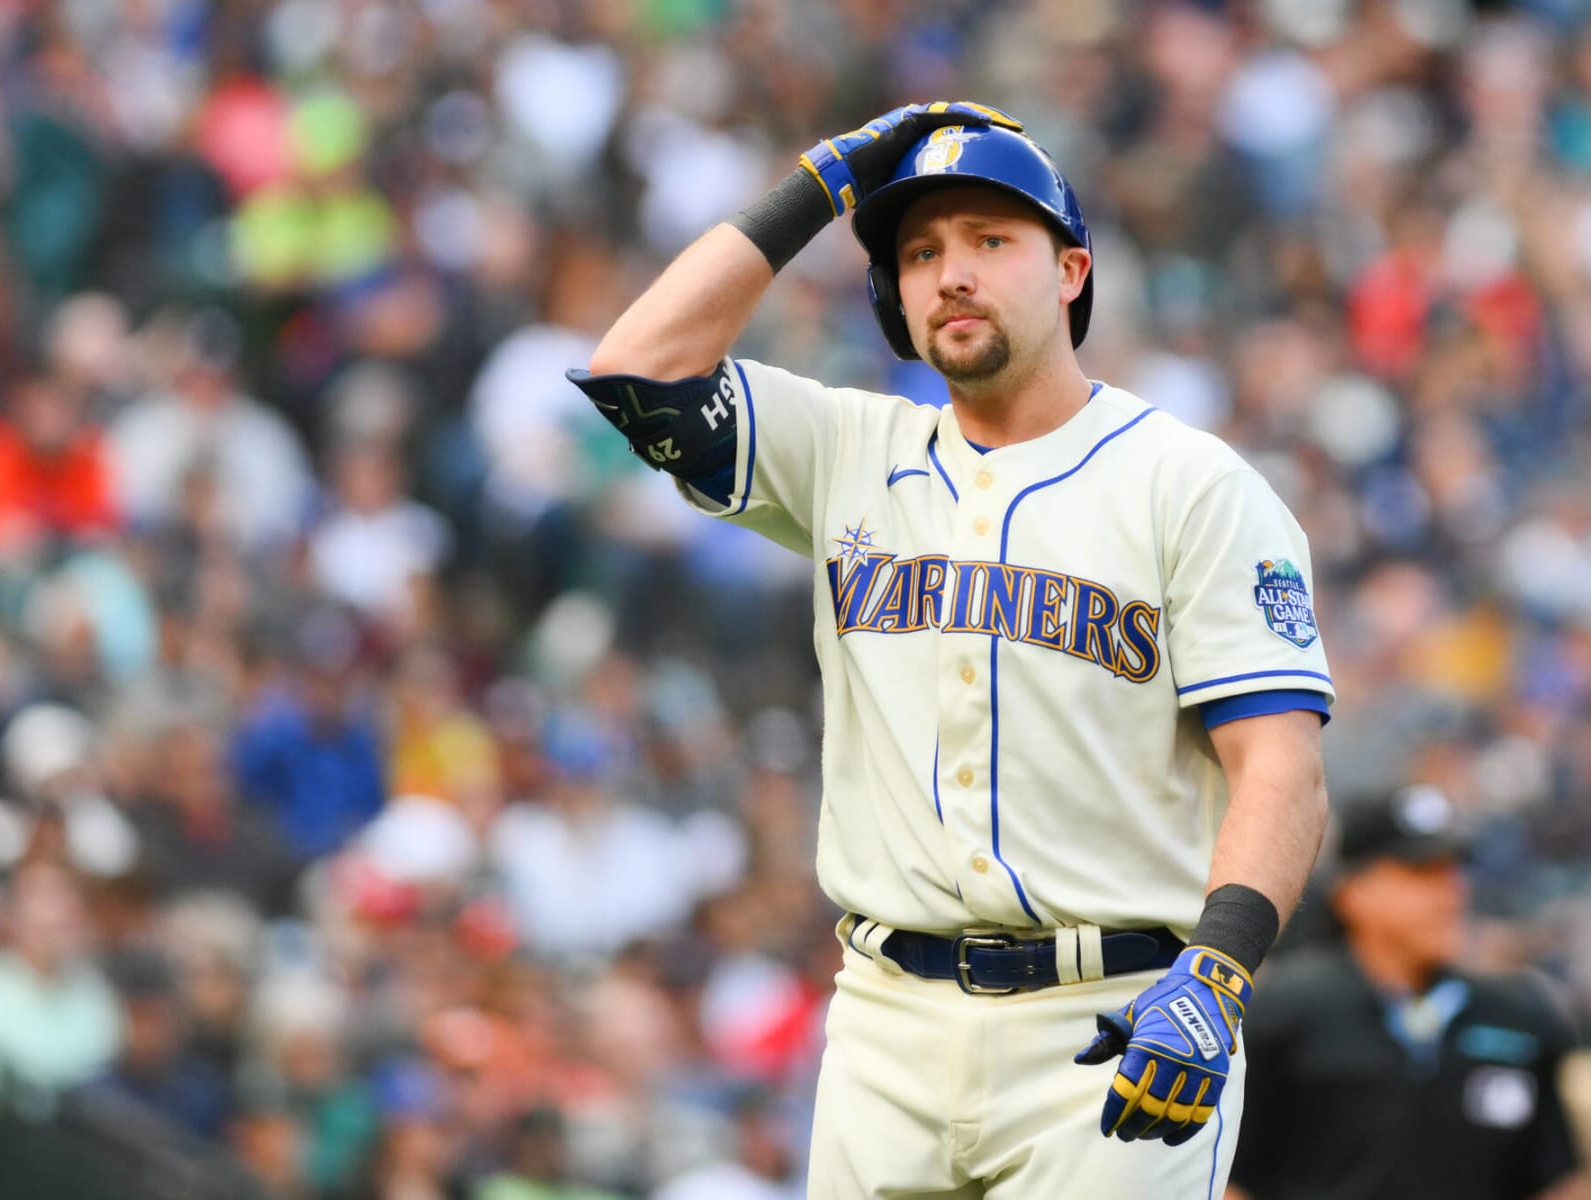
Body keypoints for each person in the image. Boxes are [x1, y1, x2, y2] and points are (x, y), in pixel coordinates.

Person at [569, 102, 1334, 1195]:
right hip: (885, 1024)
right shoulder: (846, 448)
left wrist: (1216, 972)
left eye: (989, 240)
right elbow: (638, 370)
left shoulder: (1189, 483)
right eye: (919, 252)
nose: (950, 274)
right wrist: (824, 184)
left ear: (1070, 271)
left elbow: (1281, 767)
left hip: (1111, 1020)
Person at [1227, 785, 1591, 1200]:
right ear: (1352, 892)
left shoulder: (1519, 1017)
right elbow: (1230, 1178)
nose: (1450, 892)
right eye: (1422, 873)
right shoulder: (1282, 1011)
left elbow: (1556, 1182)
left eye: (1454, 870)